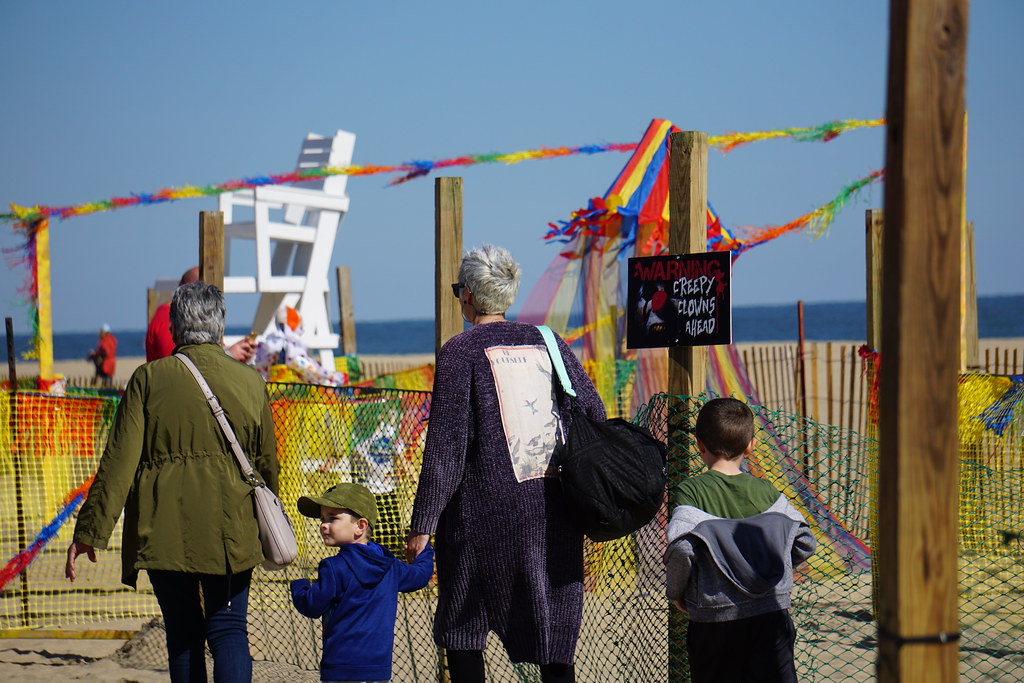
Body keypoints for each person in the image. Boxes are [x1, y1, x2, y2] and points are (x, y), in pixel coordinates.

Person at [404, 244, 606, 683]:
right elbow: (595, 413)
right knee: (554, 631)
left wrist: (423, 524)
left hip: (480, 517)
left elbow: (445, 450)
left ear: (470, 295)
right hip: (555, 512)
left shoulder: (459, 352)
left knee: (464, 628)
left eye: (460, 289)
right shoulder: (549, 342)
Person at [66, 281, 279, 683]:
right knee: (229, 630)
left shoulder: (148, 380)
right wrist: (270, 522)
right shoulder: (251, 382)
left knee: (183, 634)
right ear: (220, 327)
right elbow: (267, 464)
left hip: (165, 527)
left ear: (176, 325)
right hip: (232, 528)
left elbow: (118, 465)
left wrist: (91, 532)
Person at [663, 397, 818, 683]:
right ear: (750, 445)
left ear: (700, 445)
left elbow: (682, 549)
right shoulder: (767, 492)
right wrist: (774, 564)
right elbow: (806, 542)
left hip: (715, 620)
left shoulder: (692, 492)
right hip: (771, 614)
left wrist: (676, 592)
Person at [290, 482, 434, 682]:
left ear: (360, 526)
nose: (324, 524)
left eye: (333, 518)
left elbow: (313, 606)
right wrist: (424, 549)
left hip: (340, 667)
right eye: (323, 518)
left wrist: (300, 587)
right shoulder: (390, 566)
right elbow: (419, 576)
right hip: (378, 668)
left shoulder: (333, 567)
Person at [146, 266, 255, 363]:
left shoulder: (182, 317)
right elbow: (179, 365)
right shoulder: (169, 320)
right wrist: (230, 355)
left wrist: (237, 355)